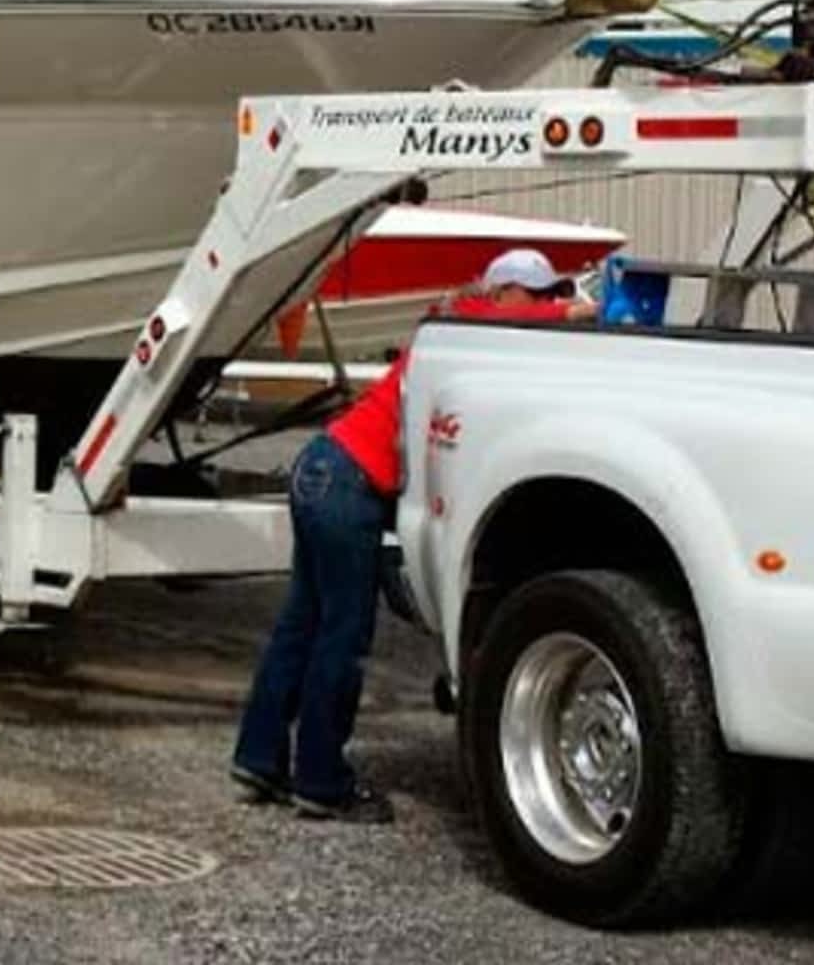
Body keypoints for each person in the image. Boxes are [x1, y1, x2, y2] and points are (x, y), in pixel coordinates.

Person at [230, 247, 597, 822]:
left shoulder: (459, 328)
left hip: (324, 467)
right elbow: (522, 320)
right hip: (347, 483)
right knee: (342, 637)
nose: (547, 303)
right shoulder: (468, 324)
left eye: (551, 294)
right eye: (539, 293)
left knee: (302, 626)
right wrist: (577, 310)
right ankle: (321, 782)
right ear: (503, 292)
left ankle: (259, 760)